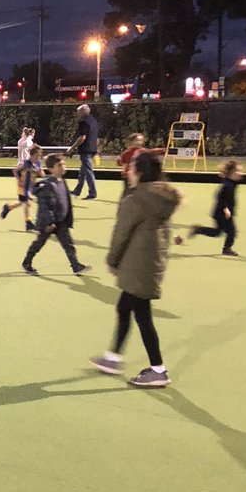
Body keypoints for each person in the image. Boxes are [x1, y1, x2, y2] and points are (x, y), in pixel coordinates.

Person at [90, 151, 183, 387]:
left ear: (139, 173)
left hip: (137, 263)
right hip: (149, 262)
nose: (128, 172)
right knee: (124, 306)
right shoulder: (163, 197)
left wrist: (113, 260)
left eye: (131, 168)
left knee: (142, 315)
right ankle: (113, 357)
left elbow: (121, 233)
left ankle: (158, 369)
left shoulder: (136, 200)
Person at [22, 154, 90, 275]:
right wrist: (49, 222)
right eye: (59, 165)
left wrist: (67, 217)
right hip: (49, 223)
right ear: (51, 169)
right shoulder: (48, 185)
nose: (63, 166)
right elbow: (45, 206)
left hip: (61, 221)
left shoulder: (62, 182)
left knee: (68, 244)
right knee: (39, 243)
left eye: (63, 164)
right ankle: (27, 262)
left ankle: (75, 265)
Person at [188, 160, 242, 256]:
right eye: (237, 171)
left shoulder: (233, 182)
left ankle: (198, 229)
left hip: (223, 213)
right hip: (221, 213)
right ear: (230, 173)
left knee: (217, 232)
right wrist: (226, 208)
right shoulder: (227, 185)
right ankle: (226, 249)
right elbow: (219, 197)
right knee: (231, 232)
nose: (240, 173)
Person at [1, 144, 43, 231]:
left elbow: (42, 174)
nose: (38, 157)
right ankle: (28, 222)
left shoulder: (38, 163)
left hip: (30, 187)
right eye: (37, 155)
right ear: (32, 155)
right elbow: (15, 170)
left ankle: (8, 207)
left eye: (39, 155)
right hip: (22, 186)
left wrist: (39, 172)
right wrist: (18, 179)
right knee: (26, 203)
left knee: (21, 203)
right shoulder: (26, 163)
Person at [116, 133, 165, 199]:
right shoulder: (126, 152)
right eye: (137, 140)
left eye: (141, 140)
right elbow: (121, 163)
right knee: (128, 191)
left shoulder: (142, 151)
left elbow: (150, 152)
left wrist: (161, 150)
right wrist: (119, 160)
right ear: (131, 141)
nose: (139, 142)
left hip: (138, 175)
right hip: (127, 176)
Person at [66, 104, 99, 199]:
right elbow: (96, 137)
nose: (77, 113)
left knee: (88, 172)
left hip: (86, 150)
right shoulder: (94, 121)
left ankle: (92, 193)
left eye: (78, 112)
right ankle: (77, 191)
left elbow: (82, 138)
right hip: (92, 149)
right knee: (83, 171)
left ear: (83, 112)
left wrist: (71, 148)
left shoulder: (83, 122)